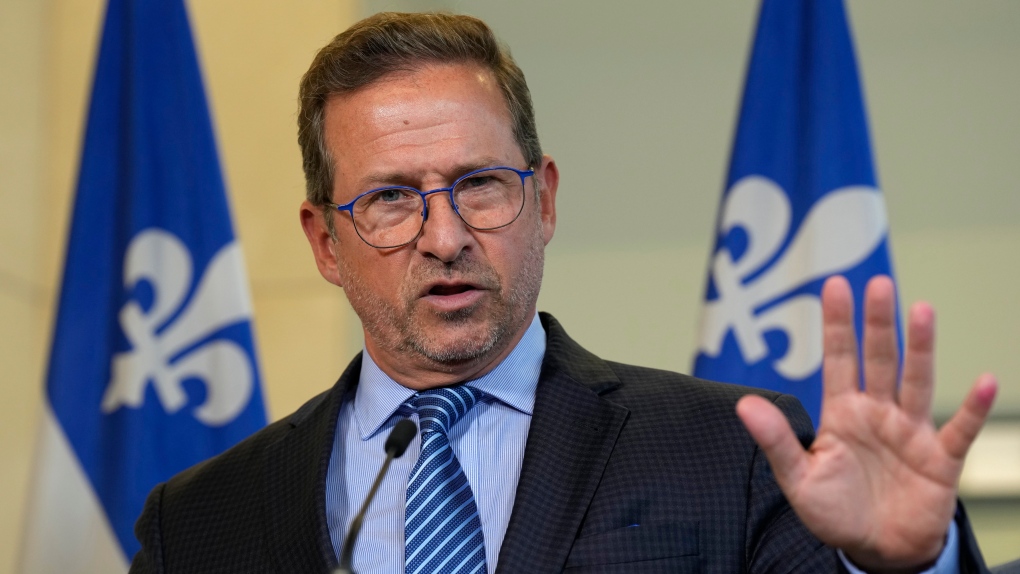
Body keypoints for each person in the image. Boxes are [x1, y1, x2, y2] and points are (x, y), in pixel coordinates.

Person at [129, 12, 997, 574]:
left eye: (481, 183)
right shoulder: (199, 523)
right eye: (392, 199)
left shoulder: (727, 454)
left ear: (542, 200)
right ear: (325, 242)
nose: (446, 236)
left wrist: (908, 568)